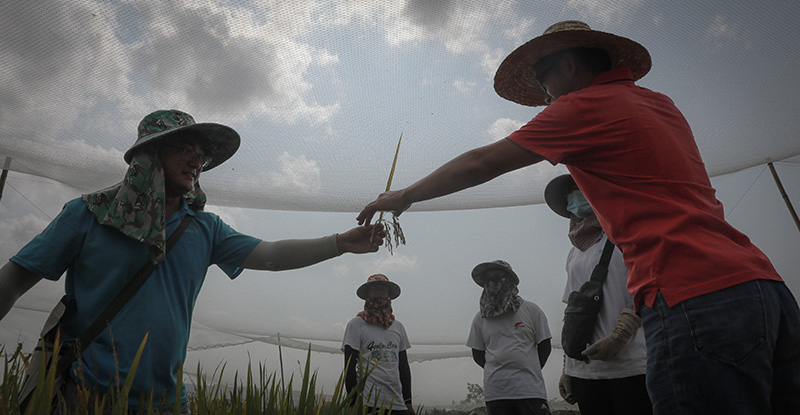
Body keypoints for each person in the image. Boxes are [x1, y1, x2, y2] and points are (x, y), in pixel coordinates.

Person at [357, 20, 800, 414]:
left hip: (693, 296)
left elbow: (482, 162)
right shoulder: (661, 104)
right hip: (764, 289)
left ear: (568, 65)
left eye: (542, 78)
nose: (543, 95)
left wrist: (406, 196)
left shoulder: (582, 107)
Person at [0, 109, 385, 411]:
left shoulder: (204, 228)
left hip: (165, 405)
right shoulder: (88, 215)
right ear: (150, 153)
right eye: (185, 149)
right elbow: (15, 279)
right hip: (84, 399)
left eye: (201, 155)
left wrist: (339, 243)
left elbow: (270, 254)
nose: (197, 161)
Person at [545, 174, 651, 415]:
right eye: (569, 192)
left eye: (579, 187)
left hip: (630, 364)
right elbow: (572, 310)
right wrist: (567, 366)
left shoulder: (627, 235)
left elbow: (653, 288)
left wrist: (623, 331)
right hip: (584, 370)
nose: (575, 195)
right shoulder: (575, 253)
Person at [466, 260, 552, 415]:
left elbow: (545, 346)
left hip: (530, 391)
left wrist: (528, 368)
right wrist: (499, 369)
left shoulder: (532, 310)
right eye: (489, 278)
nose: (494, 282)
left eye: (498, 276)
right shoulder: (480, 318)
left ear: (510, 280)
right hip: (496, 393)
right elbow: (478, 354)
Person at [342, 274, 414, 415]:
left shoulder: (397, 327)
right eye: (375, 288)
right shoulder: (356, 325)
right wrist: (353, 402)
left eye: (383, 288)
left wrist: (408, 401)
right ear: (367, 293)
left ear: (389, 294)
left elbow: (403, 366)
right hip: (368, 402)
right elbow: (349, 366)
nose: (379, 291)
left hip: (397, 403)